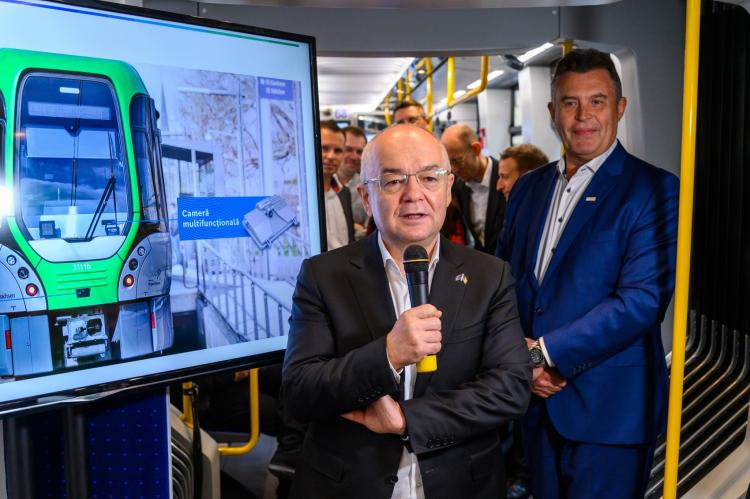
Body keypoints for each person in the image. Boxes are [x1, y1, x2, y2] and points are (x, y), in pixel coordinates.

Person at [282, 124, 531, 499]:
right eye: (394, 181)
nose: (414, 195)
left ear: (448, 188)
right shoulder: (323, 276)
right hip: (350, 484)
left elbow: (510, 388)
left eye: (429, 178)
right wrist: (387, 354)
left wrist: (406, 421)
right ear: (366, 197)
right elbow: (300, 391)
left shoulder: (489, 275)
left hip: (461, 482)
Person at [497, 48, 679, 498]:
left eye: (597, 101)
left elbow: (641, 301)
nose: (583, 116)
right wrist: (518, 358)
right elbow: (501, 282)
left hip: (611, 412)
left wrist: (541, 354)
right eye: (570, 102)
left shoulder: (654, 189)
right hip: (535, 405)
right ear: (552, 111)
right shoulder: (528, 188)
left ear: (620, 107)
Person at [441, 124, 505, 254]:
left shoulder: (505, 180)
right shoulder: (458, 186)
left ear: (476, 149)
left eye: (457, 160)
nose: (454, 169)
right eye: (449, 163)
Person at [320, 120, 355, 250]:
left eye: (338, 151)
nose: (331, 156)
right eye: (324, 148)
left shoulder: (344, 193)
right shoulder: (299, 196)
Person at [339, 125, 368, 238]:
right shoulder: (322, 185)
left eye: (359, 152)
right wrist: (352, 226)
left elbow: (368, 230)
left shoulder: (368, 186)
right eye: (348, 149)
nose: (354, 156)